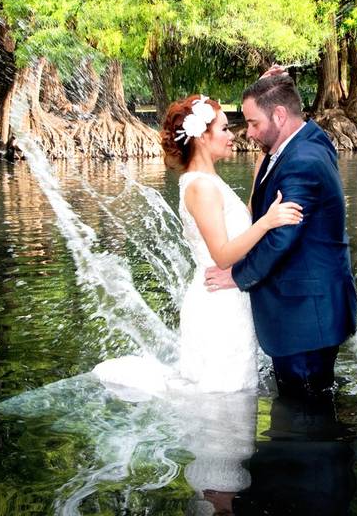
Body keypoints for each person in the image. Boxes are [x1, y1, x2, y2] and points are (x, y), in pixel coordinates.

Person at [92, 94, 303, 394]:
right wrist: (268, 222)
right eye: (225, 129)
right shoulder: (201, 187)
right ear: (202, 137)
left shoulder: (209, 180)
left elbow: (244, 219)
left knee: (233, 398)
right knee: (221, 397)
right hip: (217, 303)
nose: (233, 136)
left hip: (230, 299)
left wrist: (263, 159)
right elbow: (222, 254)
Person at [205, 69, 357, 399]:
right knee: (308, 405)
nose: (248, 132)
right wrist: (269, 87)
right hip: (311, 308)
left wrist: (237, 276)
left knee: (304, 417)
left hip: (305, 319)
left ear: (279, 115)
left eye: (254, 123)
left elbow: (281, 238)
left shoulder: (301, 160)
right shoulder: (308, 138)